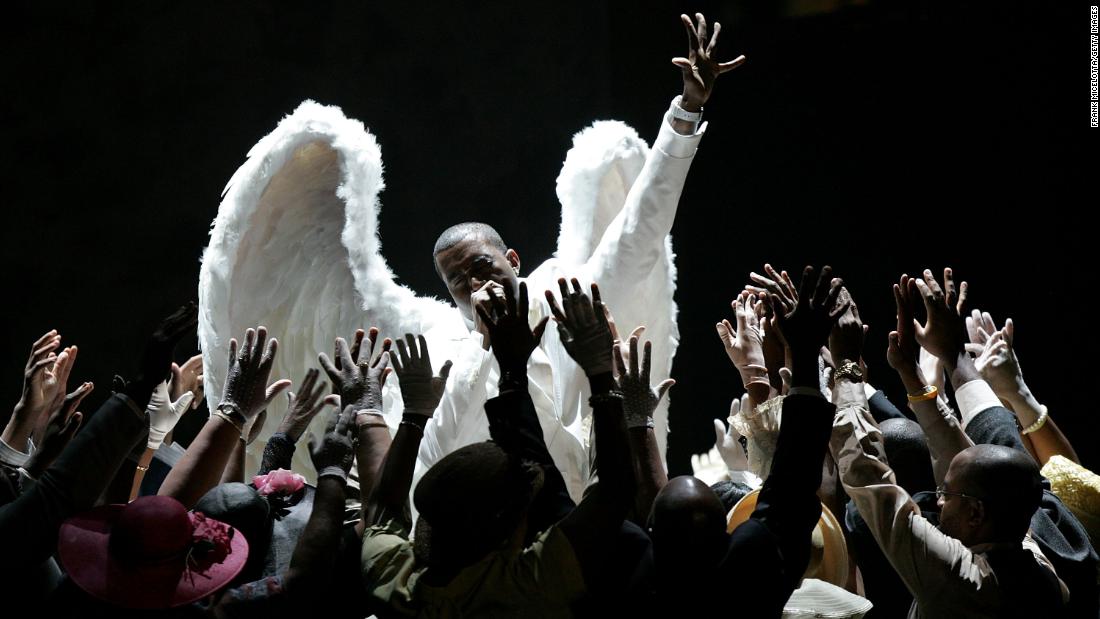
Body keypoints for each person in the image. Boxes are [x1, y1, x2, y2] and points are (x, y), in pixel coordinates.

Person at [831, 269, 1069, 617]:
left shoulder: (963, 581)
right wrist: (913, 373)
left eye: (947, 493)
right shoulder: (1035, 561)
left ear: (976, 513)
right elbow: (970, 461)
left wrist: (847, 367)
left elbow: (870, 479)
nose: (936, 501)